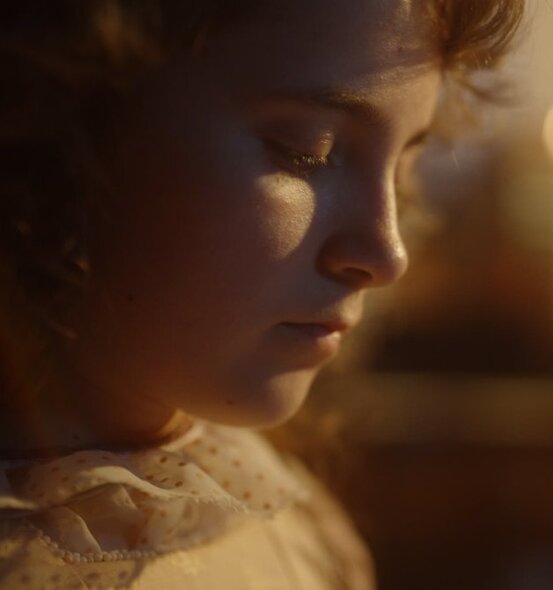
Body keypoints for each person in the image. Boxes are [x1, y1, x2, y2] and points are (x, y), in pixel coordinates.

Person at [0, 1, 523, 588]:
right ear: (61, 116)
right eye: (309, 149)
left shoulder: (292, 525)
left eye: (404, 168)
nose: (388, 255)